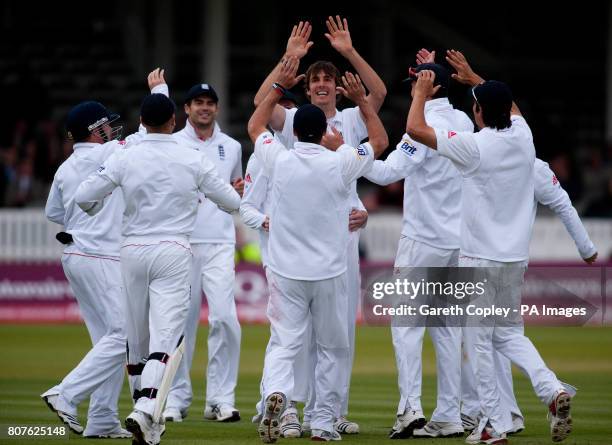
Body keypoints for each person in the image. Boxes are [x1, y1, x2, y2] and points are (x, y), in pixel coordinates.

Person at [406, 51, 572, 444]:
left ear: (478, 112)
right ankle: (551, 389)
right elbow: (511, 107)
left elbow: (415, 129)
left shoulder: (474, 146)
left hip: (480, 260)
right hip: (514, 261)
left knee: (479, 344)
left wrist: (420, 91)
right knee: (508, 335)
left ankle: (491, 426)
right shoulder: (523, 135)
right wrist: (474, 79)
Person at [75, 93, 241, 445]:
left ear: (143, 122)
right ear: (173, 122)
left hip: (132, 250)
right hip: (173, 249)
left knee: (136, 343)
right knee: (165, 340)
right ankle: (146, 407)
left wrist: (93, 212)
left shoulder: (125, 155)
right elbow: (231, 202)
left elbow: (84, 196)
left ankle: (146, 421)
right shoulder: (192, 157)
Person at [253, 17, 387, 436]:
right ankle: (296, 410)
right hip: (311, 238)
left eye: (330, 78)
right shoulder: (292, 119)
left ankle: (329, 410)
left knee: (335, 329)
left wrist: (349, 52)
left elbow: (378, 94)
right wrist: (288, 59)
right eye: (317, 79)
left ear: (335, 86)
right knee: (315, 336)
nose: (324, 84)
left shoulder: (349, 119)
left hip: (340, 233)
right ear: (307, 88)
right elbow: (261, 105)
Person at [41, 69, 167, 438]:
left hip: (76, 256)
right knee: (126, 336)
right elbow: (154, 131)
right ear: (97, 131)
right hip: (102, 257)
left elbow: (53, 212)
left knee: (108, 341)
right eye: (107, 126)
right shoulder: (115, 151)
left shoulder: (65, 167)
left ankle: (101, 419)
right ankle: (66, 393)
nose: (113, 131)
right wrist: (159, 90)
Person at [364, 59, 473, 439]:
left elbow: (386, 173)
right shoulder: (462, 121)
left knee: (407, 328)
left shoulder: (422, 129)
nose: (412, 87)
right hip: (457, 244)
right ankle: (449, 415)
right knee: (447, 331)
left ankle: (410, 408)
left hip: (423, 241)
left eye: (417, 82)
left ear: (432, 88)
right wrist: (433, 70)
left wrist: (348, 154)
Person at [162, 81, 244, 423]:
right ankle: (175, 399)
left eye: (210, 102)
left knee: (225, 318)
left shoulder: (233, 147)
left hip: (220, 244)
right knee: (180, 324)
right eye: (198, 102)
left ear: (217, 108)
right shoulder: (172, 143)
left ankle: (220, 400)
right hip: (182, 242)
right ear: (186, 109)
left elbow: (237, 192)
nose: (205, 107)